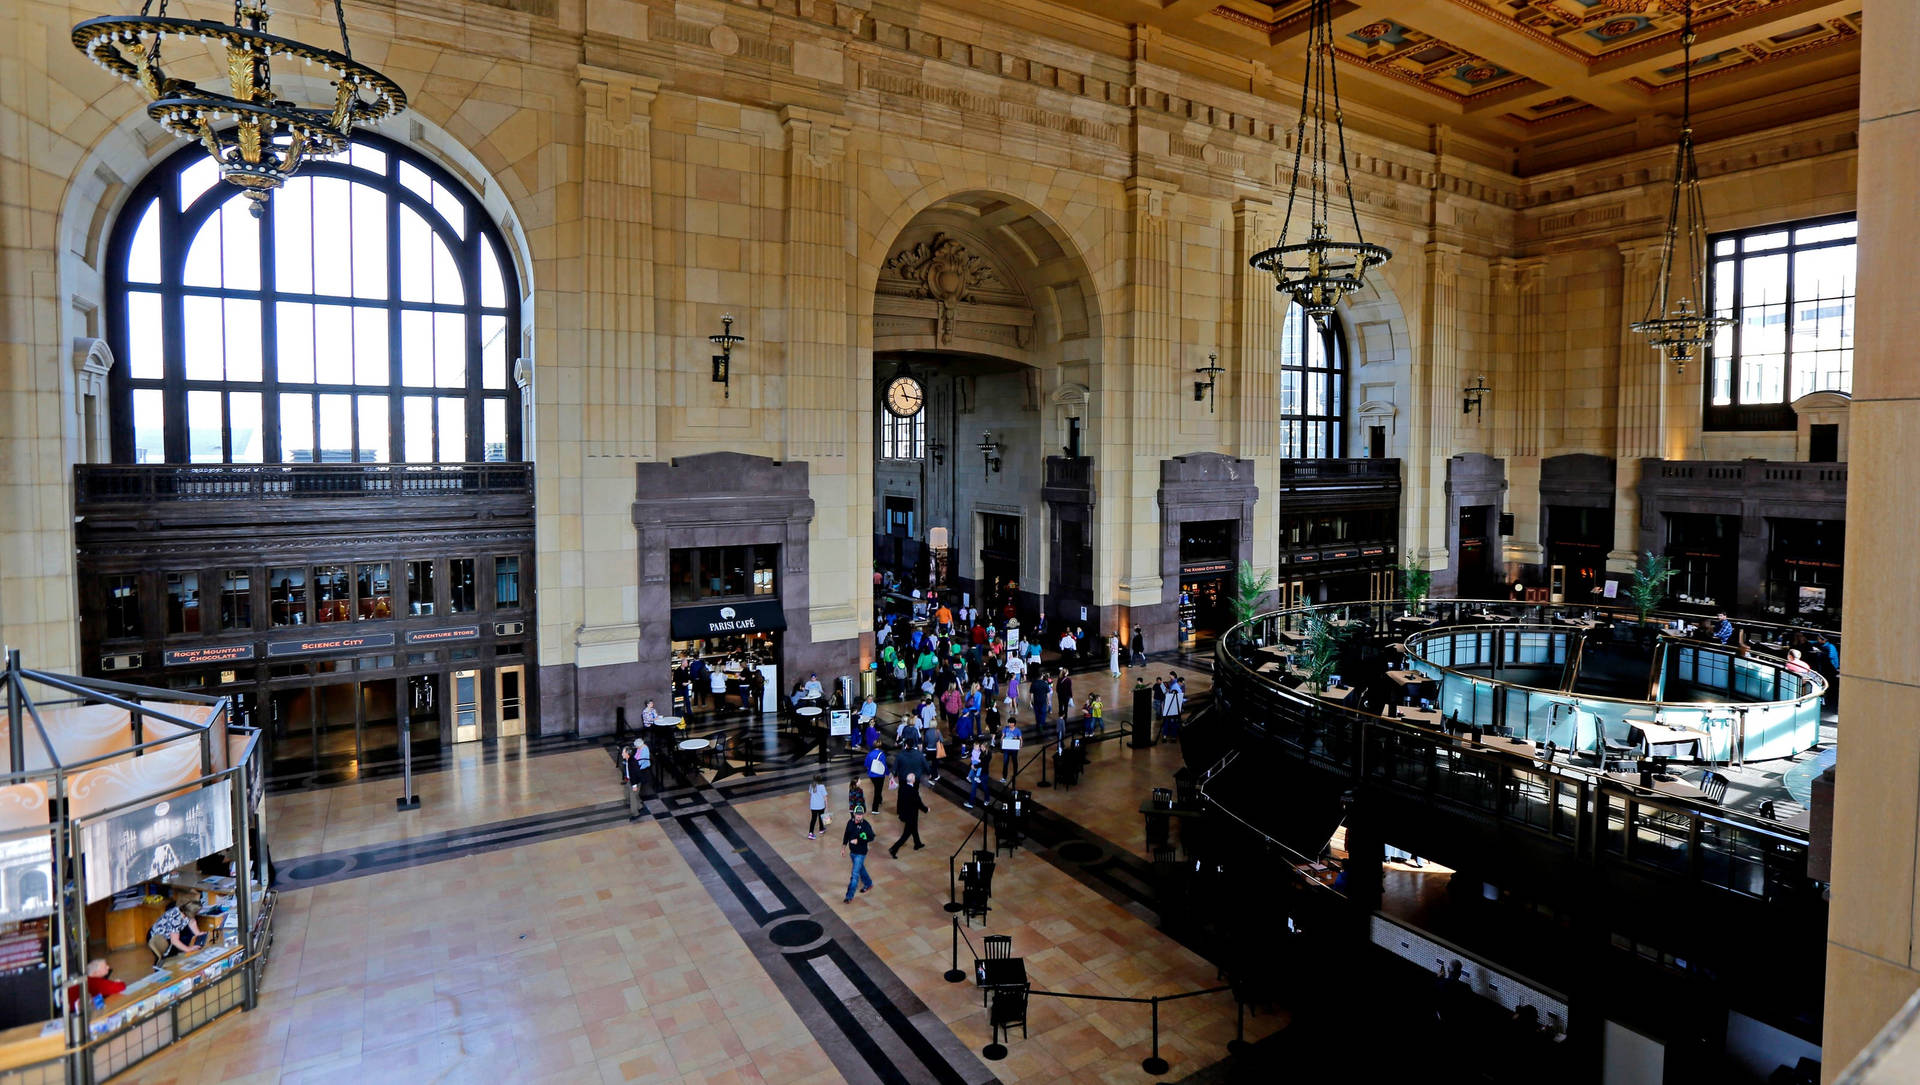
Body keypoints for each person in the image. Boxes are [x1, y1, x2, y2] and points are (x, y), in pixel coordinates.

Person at [889, 772, 929, 856]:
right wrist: (926, 809)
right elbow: (918, 803)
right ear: (913, 780)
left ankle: (917, 843)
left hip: (905, 814)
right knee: (906, 834)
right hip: (912, 815)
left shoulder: (902, 788)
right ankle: (894, 849)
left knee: (914, 829)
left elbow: (900, 801)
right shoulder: (914, 791)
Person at [842, 806, 877, 901]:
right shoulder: (850, 823)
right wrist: (843, 847)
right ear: (854, 814)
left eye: (861, 814)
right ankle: (868, 883)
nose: (859, 816)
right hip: (852, 852)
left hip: (861, 853)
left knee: (855, 875)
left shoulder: (866, 825)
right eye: (857, 814)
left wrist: (858, 841)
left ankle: (849, 896)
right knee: (861, 869)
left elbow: (872, 837)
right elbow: (846, 835)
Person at [864, 745, 890, 817]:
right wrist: (888, 773)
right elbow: (884, 766)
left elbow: (866, 764)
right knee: (878, 790)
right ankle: (874, 809)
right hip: (879, 775)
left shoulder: (869, 754)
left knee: (877, 787)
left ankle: (879, 799)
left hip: (871, 775)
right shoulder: (882, 754)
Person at [965, 741, 988, 808]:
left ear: (986, 748)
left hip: (983, 773)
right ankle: (971, 803)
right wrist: (973, 765)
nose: (980, 748)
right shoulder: (977, 751)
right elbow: (974, 759)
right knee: (973, 788)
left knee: (984, 787)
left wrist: (974, 766)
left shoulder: (987, 754)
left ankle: (987, 799)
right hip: (977, 771)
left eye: (982, 747)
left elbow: (983, 764)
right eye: (980, 747)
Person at [806, 773, 829, 839]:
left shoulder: (811, 785)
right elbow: (825, 797)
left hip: (813, 806)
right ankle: (821, 829)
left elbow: (810, 793)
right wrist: (827, 806)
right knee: (821, 817)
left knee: (813, 819)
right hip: (821, 806)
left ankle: (810, 833)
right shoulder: (822, 786)